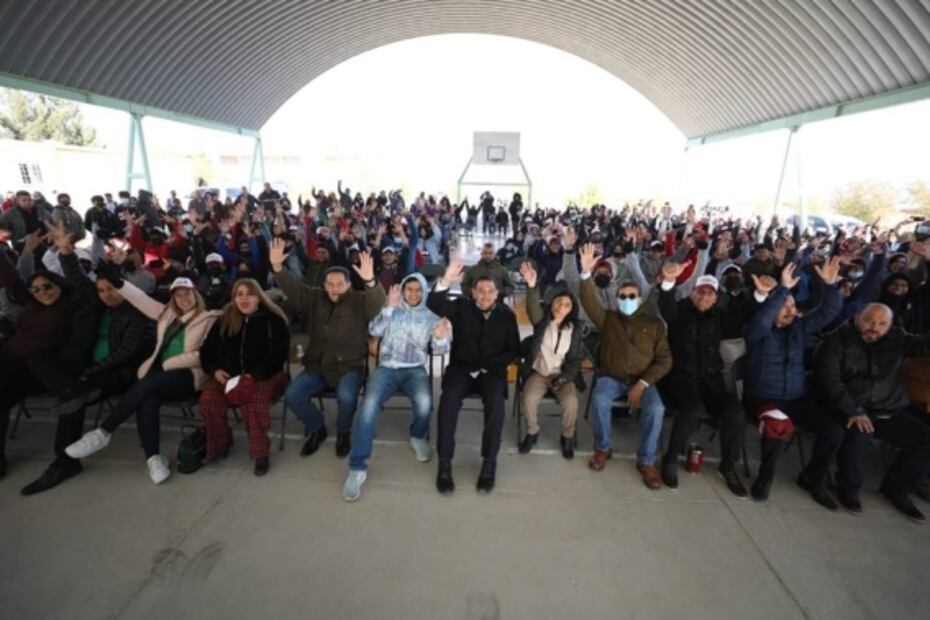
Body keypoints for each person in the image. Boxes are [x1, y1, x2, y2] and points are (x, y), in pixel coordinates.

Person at [66, 277, 220, 485]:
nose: (184, 298)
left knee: (148, 385)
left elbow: (204, 354)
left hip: (190, 376)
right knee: (148, 398)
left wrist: (168, 364)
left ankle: (104, 432)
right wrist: (118, 279)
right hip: (161, 378)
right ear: (173, 298)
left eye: (188, 293)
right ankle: (153, 458)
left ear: (196, 294)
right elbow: (138, 298)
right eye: (178, 294)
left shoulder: (208, 318)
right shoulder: (167, 314)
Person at [742, 259, 844, 507]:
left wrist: (830, 287)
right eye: (784, 307)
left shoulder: (799, 329)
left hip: (795, 400)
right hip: (762, 399)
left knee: (833, 430)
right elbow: (763, 318)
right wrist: (782, 291)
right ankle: (764, 479)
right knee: (778, 422)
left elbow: (828, 312)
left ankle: (812, 478)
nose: (791, 311)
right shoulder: (758, 330)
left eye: (793, 306)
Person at [271, 238, 385, 458]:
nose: (335, 289)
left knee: (347, 396)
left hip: (349, 366)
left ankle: (343, 432)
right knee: (293, 394)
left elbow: (377, 301)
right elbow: (293, 289)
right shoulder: (315, 297)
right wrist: (277, 267)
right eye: (330, 284)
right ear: (324, 285)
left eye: (340, 284)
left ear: (349, 285)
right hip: (318, 365)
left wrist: (370, 280)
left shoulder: (360, 301)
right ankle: (317, 428)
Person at [815, 303, 930, 521]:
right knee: (860, 433)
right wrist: (855, 410)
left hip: (888, 409)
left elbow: (924, 344)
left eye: (882, 323)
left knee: (926, 439)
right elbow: (830, 381)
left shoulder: (898, 338)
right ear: (858, 317)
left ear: (890, 325)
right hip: (847, 407)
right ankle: (848, 487)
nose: (875, 327)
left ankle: (897, 489)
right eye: (869, 321)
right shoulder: (836, 340)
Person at [343, 274, 452, 501]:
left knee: (424, 402)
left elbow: (440, 352)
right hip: (386, 368)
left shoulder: (431, 317)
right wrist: (388, 309)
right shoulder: (391, 308)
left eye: (418, 290)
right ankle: (357, 468)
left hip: (415, 369)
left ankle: (417, 436)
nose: (413, 294)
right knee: (369, 406)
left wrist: (441, 338)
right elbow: (373, 332)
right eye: (408, 289)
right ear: (402, 291)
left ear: (424, 292)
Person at [577, 244, 671, 489]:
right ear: (617, 299)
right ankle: (603, 448)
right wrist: (585, 274)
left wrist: (642, 383)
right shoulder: (608, 318)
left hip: (643, 380)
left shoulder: (655, 324)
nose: (627, 300)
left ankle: (647, 461)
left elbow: (664, 360)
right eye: (623, 296)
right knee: (600, 399)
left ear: (639, 299)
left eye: (632, 296)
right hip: (612, 377)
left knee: (657, 409)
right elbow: (589, 303)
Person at [428, 258, 520, 495]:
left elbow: (513, 349)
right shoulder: (460, 307)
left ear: (497, 293)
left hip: (492, 372)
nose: (485, 295)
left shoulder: (507, 315)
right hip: (461, 369)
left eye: (490, 291)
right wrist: (446, 280)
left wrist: (492, 365)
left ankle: (489, 463)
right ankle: (445, 463)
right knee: (447, 402)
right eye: (481, 291)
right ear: (472, 292)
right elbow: (434, 304)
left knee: (496, 404)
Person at [656, 266, 747, 496]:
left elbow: (746, 315)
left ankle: (727, 467)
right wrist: (668, 282)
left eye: (710, 293)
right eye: (701, 292)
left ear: (717, 297)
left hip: (710, 382)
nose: (705, 297)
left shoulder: (721, 318)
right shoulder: (679, 311)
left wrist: (760, 296)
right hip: (679, 380)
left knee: (735, 412)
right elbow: (666, 306)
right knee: (693, 409)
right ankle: (670, 459)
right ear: (693, 292)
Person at [197, 279, 290, 476]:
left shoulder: (273, 320)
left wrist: (255, 375)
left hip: (265, 375)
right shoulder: (224, 320)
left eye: (249, 293)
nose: (244, 298)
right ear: (233, 298)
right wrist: (214, 370)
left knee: (253, 402)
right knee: (209, 401)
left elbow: (278, 354)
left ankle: (260, 454)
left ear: (259, 297)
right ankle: (220, 444)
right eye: (239, 294)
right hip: (229, 376)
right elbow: (206, 350)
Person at [516, 262, 582, 460]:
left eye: (567, 305)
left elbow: (574, 359)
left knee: (571, 402)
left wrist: (564, 378)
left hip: (562, 375)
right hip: (539, 373)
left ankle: (567, 436)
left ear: (571, 309)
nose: (562, 306)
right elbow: (533, 306)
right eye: (558, 302)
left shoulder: (575, 329)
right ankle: (532, 431)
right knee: (528, 399)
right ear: (551, 304)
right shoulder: (542, 321)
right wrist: (532, 286)